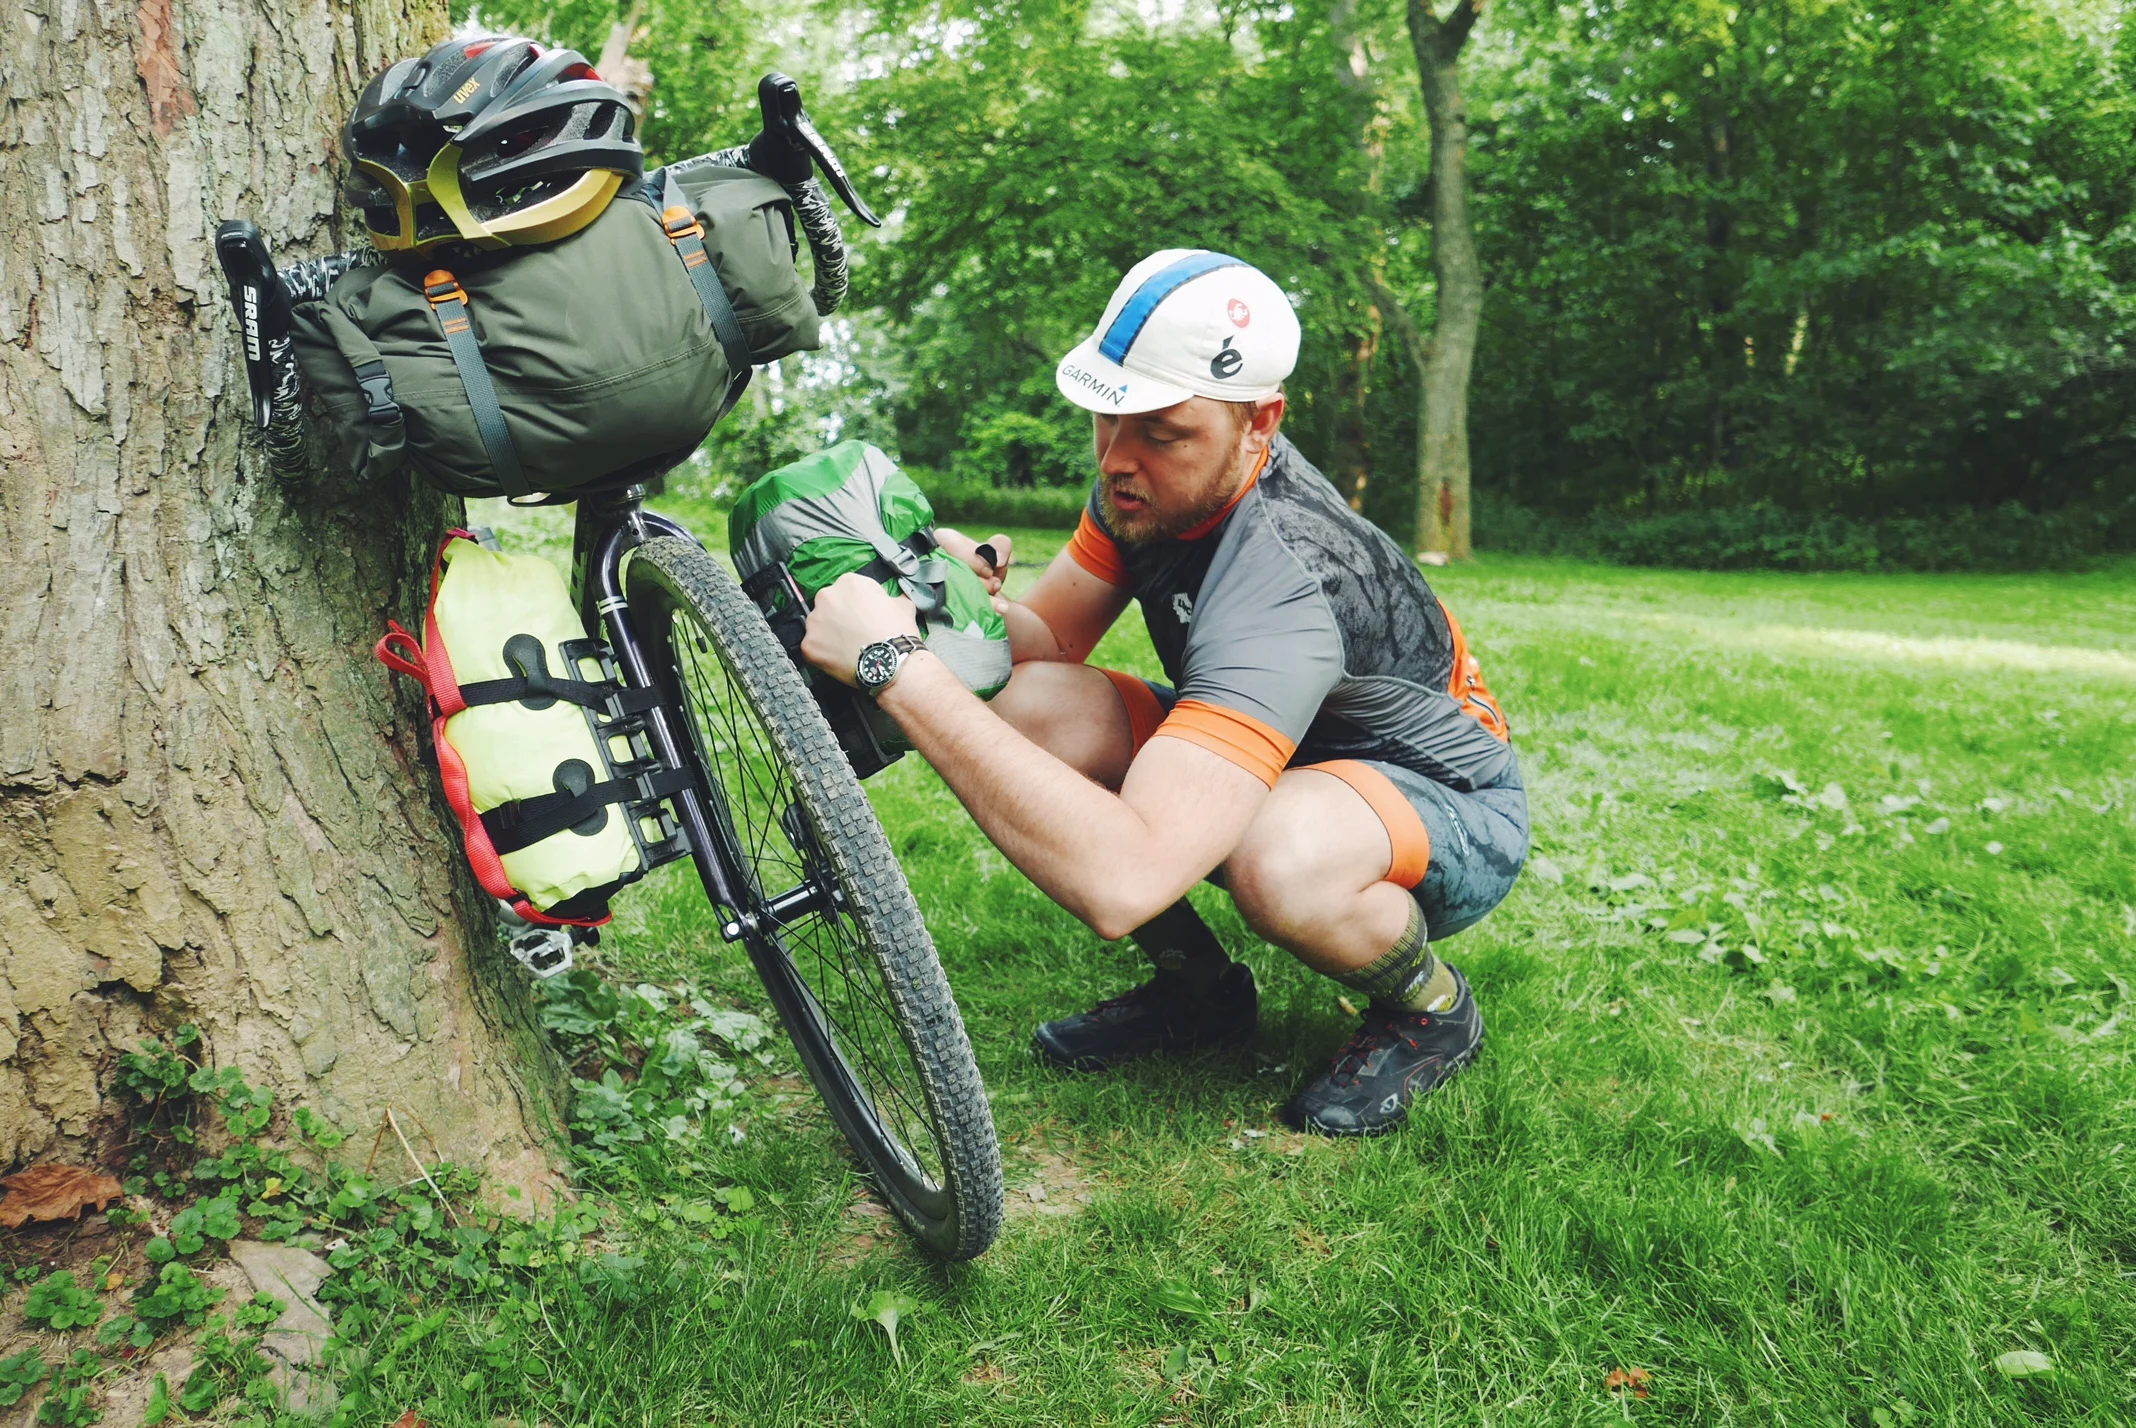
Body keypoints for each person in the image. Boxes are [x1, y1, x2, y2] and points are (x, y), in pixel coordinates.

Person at [801, 249, 1528, 1135]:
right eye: (1106, 421)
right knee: (1026, 708)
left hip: (1446, 806)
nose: (1116, 460)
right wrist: (956, 597)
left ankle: (1432, 1010)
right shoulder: (1148, 485)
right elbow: (1048, 641)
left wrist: (895, 668)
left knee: (1276, 853)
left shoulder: (1290, 576)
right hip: (1288, 757)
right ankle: (1201, 995)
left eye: (1162, 432)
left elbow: (1121, 882)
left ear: (1261, 424)